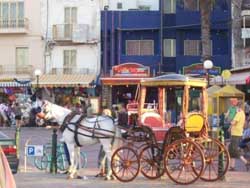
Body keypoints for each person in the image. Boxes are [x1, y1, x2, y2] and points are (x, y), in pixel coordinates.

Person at [228, 100, 245, 171]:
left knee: (234, 149)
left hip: (236, 133)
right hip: (237, 133)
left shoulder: (239, 113)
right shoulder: (242, 113)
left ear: (237, 106)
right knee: (231, 150)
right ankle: (232, 166)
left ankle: (245, 161)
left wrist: (230, 122)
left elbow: (234, 122)